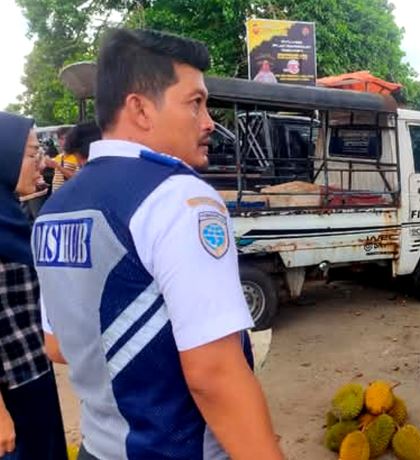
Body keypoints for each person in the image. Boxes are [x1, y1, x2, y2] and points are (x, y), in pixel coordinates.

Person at [33, 29, 283, 459]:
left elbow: (56, 346)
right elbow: (214, 373)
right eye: (195, 103)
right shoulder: (180, 197)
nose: (209, 123)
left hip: (99, 447)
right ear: (141, 109)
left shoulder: (56, 209)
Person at [0, 112, 68, 459]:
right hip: (9, 393)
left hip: (34, 375)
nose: (40, 163)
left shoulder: (11, 217)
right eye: (30, 154)